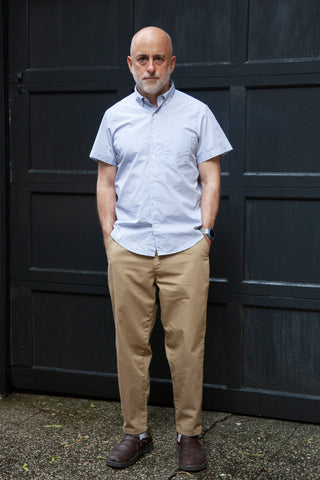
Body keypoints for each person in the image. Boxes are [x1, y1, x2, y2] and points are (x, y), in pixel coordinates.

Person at [90, 26, 232, 472]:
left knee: (187, 345)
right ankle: (137, 432)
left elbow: (211, 177)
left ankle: (188, 434)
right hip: (129, 248)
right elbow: (105, 183)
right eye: (142, 59)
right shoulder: (114, 116)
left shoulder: (198, 113)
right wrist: (110, 240)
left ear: (172, 63)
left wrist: (205, 234)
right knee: (130, 345)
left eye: (159, 59)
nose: (150, 67)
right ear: (130, 64)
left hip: (185, 247)